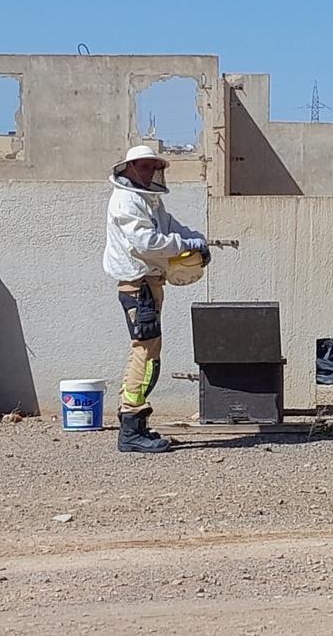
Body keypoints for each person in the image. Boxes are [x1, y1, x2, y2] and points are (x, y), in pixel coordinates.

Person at [103, 145, 209, 453]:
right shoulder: (126, 199)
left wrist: (197, 239)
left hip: (149, 284)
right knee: (145, 353)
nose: (149, 172)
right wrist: (186, 243)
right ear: (130, 168)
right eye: (144, 167)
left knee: (148, 351)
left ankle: (135, 423)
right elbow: (147, 241)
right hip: (138, 285)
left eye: (153, 167)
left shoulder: (148, 200)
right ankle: (131, 426)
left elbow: (168, 227)